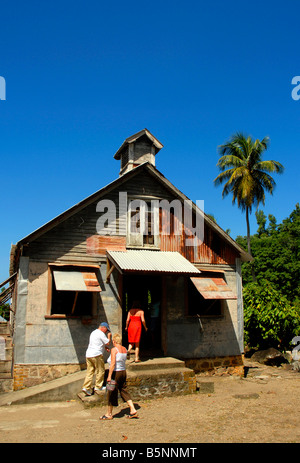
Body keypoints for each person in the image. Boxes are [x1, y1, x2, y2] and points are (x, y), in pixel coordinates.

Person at [100, 333, 138, 420]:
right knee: (123, 390)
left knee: (111, 392)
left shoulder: (114, 350)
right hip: (123, 372)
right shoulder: (124, 349)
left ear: (114, 341)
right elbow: (126, 358)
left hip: (115, 373)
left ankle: (109, 413)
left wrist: (109, 376)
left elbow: (113, 363)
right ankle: (132, 409)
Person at [82, 322, 111, 396]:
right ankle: (98, 386)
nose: (106, 331)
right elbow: (107, 342)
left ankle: (86, 387)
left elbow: (97, 343)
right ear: (103, 327)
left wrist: (104, 347)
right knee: (100, 370)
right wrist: (109, 336)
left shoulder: (93, 332)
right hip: (97, 355)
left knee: (90, 371)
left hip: (89, 355)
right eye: (106, 330)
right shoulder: (101, 333)